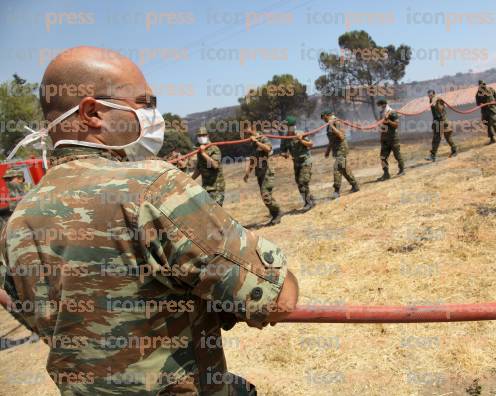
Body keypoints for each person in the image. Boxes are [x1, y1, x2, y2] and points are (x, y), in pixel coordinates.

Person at [0, 46, 298, 395]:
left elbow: (46, 317)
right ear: (93, 112)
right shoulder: (153, 187)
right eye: (144, 102)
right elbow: (277, 299)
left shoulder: (19, 219)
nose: (154, 114)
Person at [243, 127, 282, 225]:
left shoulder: (262, 138)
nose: (246, 133)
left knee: (266, 194)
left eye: (247, 130)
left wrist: (256, 142)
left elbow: (268, 148)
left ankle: (278, 212)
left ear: (253, 128)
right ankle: (274, 215)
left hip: (267, 171)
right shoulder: (251, 143)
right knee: (265, 195)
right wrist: (248, 173)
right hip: (259, 172)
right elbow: (253, 159)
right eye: (245, 132)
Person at [280, 116, 315, 211]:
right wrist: (284, 154)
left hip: (305, 161)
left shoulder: (300, 133)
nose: (285, 127)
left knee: (303, 181)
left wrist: (300, 140)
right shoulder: (285, 138)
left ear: (291, 126)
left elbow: (311, 144)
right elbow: (282, 151)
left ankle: (308, 203)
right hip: (296, 163)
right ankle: (310, 199)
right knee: (299, 184)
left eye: (286, 125)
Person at [321, 110, 359, 198]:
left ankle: (336, 191)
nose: (323, 119)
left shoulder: (336, 122)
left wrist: (332, 126)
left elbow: (341, 136)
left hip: (341, 149)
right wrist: (328, 151)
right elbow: (331, 140)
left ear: (327, 115)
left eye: (323, 117)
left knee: (337, 168)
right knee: (343, 169)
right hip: (336, 149)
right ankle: (355, 185)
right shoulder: (329, 124)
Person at [192, 127, 225, 206]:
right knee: (207, 214)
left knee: (216, 213)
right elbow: (199, 169)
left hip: (216, 188)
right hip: (206, 188)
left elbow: (215, 165)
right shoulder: (199, 150)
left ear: (207, 135)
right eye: (199, 136)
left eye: (203, 135)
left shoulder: (214, 148)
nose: (201, 137)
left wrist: (203, 154)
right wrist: (190, 179)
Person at [376, 98, 405, 181]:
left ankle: (402, 170)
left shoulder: (392, 112)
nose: (380, 107)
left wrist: (388, 121)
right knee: (383, 157)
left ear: (384, 104)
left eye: (381, 105)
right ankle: (386, 174)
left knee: (397, 155)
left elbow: (396, 125)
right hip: (384, 138)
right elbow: (381, 125)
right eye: (379, 105)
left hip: (393, 138)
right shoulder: (382, 113)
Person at [426, 90, 457, 162]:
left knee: (446, 137)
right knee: (437, 139)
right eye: (429, 95)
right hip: (438, 122)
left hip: (442, 122)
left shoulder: (438, 100)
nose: (430, 96)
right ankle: (433, 155)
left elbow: (440, 110)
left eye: (431, 95)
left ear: (434, 94)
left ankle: (454, 151)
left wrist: (435, 103)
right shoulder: (431, 100)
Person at [475, 80, 496, 144]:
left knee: (493, 123)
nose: (483, 85)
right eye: (481, 85)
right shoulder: (478, 94)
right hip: (484, 111)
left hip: (491, 110)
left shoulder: (490, 89)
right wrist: (480, 104)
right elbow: (478, 103)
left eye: (484, 84)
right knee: (487, 123)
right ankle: (492, 138)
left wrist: (495, 101)